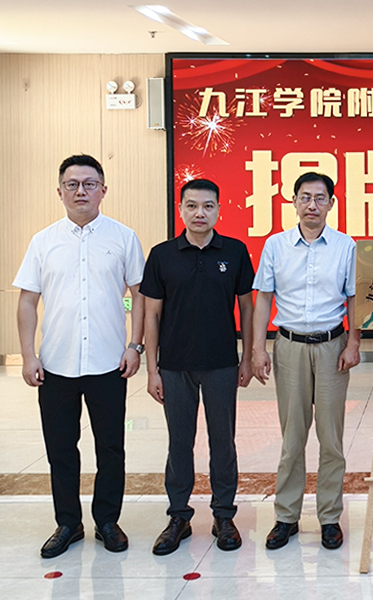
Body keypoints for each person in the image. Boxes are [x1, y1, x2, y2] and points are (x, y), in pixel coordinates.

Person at [14, 154, 145, 558]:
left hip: (109, 362)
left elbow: (139, 296)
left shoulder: (123, 237)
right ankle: (68, 523)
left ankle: (107, 521)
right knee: (61, 449)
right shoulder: (43, 241)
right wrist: (28, 356)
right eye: (72, 184)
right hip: (55, 364)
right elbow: (27, 301)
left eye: (89, 184)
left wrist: (135, 345)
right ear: (60, 192)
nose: (81, 191)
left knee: (111, 448)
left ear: (103, 190)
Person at [141, 179, 255, 555]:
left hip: (222, 363)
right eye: (191, 206)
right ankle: (179, 516)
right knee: (179, 443)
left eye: (207, 206)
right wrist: (152, 370)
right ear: (181, 210)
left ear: (219, 209)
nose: (199, 213)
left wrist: (247, 357)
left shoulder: (235, 251)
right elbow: (151, 315)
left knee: (223, 442)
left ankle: (224, 515)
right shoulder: (162, 255)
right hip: (175, 366)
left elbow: (247, 308)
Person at [250, 172, 361, 551]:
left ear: (331, 203)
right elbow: (263, 298)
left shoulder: (345, 246)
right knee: (292, 437)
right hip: (289, 346)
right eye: (305, 197)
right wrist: (258, 349)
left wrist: (354, 342)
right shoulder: (276, 245)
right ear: (294, 202)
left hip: (332, 347)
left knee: (331, 438)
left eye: (320, 198)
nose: (312, 205)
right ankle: (286, 516)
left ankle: (330, 517)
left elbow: (354, 298)